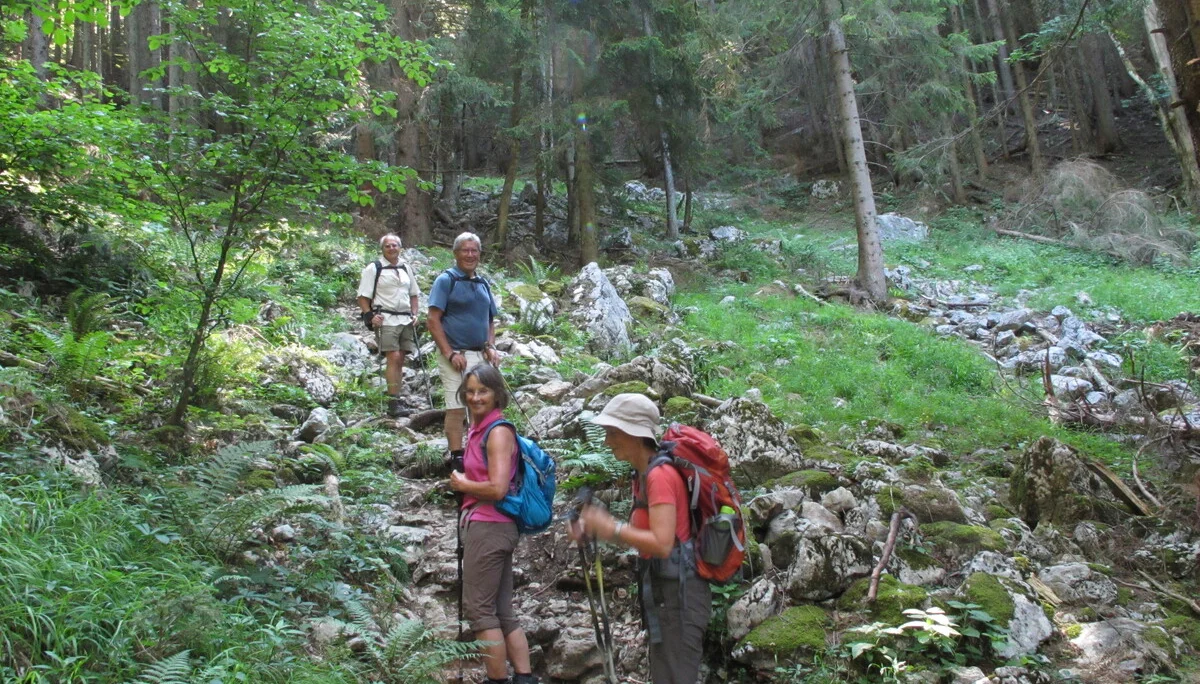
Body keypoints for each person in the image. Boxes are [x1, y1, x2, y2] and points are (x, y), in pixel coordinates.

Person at [569, 393, 711, 684]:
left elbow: (661, 542)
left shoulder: (659, 476)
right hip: (665, 592)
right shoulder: (643, 472)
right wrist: (596, 528)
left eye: (612, 432)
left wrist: (611, 529)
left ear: (634, 433)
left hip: (680, 596)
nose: (607, 441)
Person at [448, 364, 537, 684]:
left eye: (482, 391)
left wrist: (462, 485)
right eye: (469, 391)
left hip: (489, 526)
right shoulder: (480, 428)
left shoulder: (498, 432)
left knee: (481, 613)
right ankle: (524, 678)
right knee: (501, 612)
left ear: (498, 394)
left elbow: (498, 488)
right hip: (493, 527)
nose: (475, 397)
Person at [427, 232, 500, 466]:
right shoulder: (446, 280)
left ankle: (481, 451)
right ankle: (457, 457)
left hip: (480, 354)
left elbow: (490, 320)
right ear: (455, 253)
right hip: (455, 355)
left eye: (474, 250)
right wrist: (449, 353)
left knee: (482, 404)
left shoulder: (483, 283)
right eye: (465, 250)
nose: (470, 255)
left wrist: (490, 345)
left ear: (480, 253)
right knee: (457, 406)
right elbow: (432, 319)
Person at [356, 233, 420, 418]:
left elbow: (414, 294)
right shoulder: (373, 268)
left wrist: (415, 314)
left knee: (400, 358)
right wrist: (369, 315)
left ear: (400, 247)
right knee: (393, 356)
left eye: (395, 245)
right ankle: (393, 402)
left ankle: (396, 396)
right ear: (382, 249)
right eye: (388, 246)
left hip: (405, 319)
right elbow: (362, 296)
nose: (392, 248)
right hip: (386, 319)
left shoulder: (405, 268)